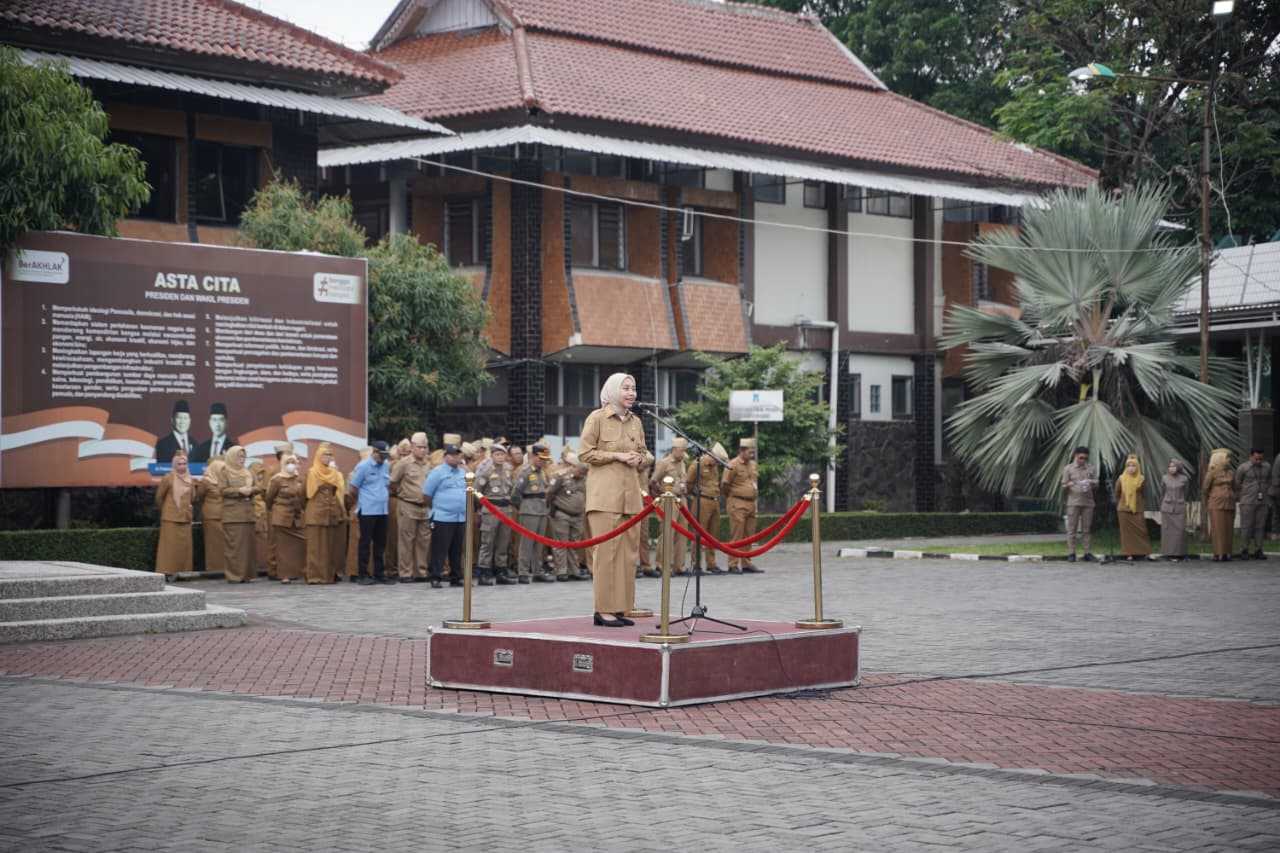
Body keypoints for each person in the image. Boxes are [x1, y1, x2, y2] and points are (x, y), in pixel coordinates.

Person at [580, 372, 651, 627]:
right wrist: (618, 456)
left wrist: (639, 459)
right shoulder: (597, 418)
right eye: (626, 389)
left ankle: (621, 607)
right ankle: (603, 610)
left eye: (633, 388)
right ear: (612, 391)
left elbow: (646, 454)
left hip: (631, 497)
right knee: (606, 554)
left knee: (628, 555)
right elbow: (585, 453)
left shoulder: (636, 422)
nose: (631, 393)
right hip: (604, 498)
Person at [424, 442, 469, 589]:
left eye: (458, 455)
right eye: (454, 455)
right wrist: (438, 508)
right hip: (442, 517)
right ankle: (435, 577)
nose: (457, 458)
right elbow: (427, 495)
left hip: (459, 517)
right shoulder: (437, 472)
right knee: (439, 549)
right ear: (446, 457)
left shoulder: (462, 473)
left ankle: (456, 577)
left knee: (457, 549)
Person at [349, 440, 393, 585]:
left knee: (380, 543)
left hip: (382, 510)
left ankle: (379, 573)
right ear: (374, 453)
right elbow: (353, 488)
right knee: (365, 543)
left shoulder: (386, 466)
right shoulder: (363, 466)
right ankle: (363, 574)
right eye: (381, 455)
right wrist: (364, 500)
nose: (384, 458)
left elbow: (386, 485)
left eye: (386, 455)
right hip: (367, 510)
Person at [391, 433, 432, 584]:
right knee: (406, 540)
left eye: (425, 447)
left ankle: (420, 572)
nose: (422, 450)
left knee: (423, 540)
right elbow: (393, 483)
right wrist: (403, 494)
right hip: (408, 505)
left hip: (424, 507)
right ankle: (405, 573)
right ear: (413, 447)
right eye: (419, 447)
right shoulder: (403, 463)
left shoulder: (429, 464)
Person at [512, 443, 555, 583]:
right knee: (527, 543)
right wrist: (523, 508)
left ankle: (537, 571)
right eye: (541, 458)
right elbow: (515, 494)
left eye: (545, 459)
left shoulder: (542, 472)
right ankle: (523, 572)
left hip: (542, 510)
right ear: (533, 456)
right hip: (529, 511)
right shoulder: (525, 472)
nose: (543, 461)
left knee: (539, 544)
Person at [304, 442, 347, 583]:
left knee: (329, 547)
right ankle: (314, 576)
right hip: (316, 513)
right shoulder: (312, 472)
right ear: (318, 456)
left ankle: (328, 576)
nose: (328, 457)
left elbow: (338, 493)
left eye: (330, 454)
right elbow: (306, 494)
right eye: (325, 455)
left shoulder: (334, 473)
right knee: (315, 547)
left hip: (330, 513)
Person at [218, 446, 259, 582]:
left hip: (248, 514)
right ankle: (234, 576)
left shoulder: (248, 472)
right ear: (231, 457)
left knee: (248, 547)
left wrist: (251, 490)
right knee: (234, 547)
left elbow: (259, 487)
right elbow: (222, 490)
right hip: (233, 515)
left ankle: (248, 575)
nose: (242, 460)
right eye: (239, 457)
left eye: (243, 457)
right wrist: (239, 491)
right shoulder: (225, 471)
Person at [476, 442, 515, 585]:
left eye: (502, 454)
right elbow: (476, 490)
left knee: (503, 542)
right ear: (492, 455)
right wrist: (480, 509)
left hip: (506, 509)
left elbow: (512, 489)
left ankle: (501, 571)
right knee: (487, 542)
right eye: (497, 454)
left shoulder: (508, 469)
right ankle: (483, 572)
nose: (500, 457)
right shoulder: (486, 471)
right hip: (491, 509)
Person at [685, 442, 727, 574]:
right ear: (712, 455)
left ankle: (711, 563)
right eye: (717, 460)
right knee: (698, 534)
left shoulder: (714, 467)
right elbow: (689, 482)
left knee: (712, 534)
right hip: (702, 501)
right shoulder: (698, 464)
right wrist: (694, 494)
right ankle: (695, 564)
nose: (718, 464)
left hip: (714, 501)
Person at [723, 437, 763, 573]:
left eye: (753, 452)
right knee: (737, 535)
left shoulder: (753, 465)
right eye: (749, 452)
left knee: (749, 535)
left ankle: (746, 563)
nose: (752, 455)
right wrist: (734, 497)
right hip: (737, 503)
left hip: (751, 504)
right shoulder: (732, 464)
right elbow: (725, 485)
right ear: (741, 450)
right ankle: (733, 564)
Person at [651, 438, 690, 575]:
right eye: (682, 451)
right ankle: (662, 564)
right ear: (674, 449)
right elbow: (653, 482)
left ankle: (679, 566)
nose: (684, 453)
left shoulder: (683, 463)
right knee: (667, 532)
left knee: (682, 533)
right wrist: (664, 494)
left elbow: (683, 479)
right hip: (668, 500)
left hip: (682, 500)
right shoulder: (664, 463)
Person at [266, 453, 306, 583]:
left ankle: (296, 572)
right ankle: (284, 575)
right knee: (283, 548)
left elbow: (303, 496)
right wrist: (278, 509)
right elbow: (269, 499)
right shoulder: (276, 479)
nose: (291, 465)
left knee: (298, 545)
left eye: (293, 462)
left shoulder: (299, 479)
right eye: (288, 462)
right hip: (281, 516)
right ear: (283, 464)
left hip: (296, 516)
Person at [154, 451, 195, 578]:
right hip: (170, 518)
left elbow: (192, 498)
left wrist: (187, 507)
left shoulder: (190, 479)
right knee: (170, 548)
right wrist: (167, 510)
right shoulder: (168, 478)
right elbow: (159, 497)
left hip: (185, 517)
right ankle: (167, 572)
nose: (182, 466)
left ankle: (184, 572)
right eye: (179, 464)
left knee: (185, 548)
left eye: (184, 463)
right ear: (174, 465)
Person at [547, 459, 589, 581]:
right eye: (580, 472)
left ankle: (574, 570)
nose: (582, 475)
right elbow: (549, 493)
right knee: (561, 543)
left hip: (578, 516)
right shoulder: (560, 476)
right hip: (562, 514)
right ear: (574, 467)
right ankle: (561, 571)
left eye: (584, 473)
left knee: (574, 544)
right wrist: (553, 509)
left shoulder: (583, 479)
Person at [1061, 446, 1097, 562]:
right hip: (1073, 502)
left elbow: (1097, 483)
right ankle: (1071, 553)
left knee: (1087, 529)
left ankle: (1087, 552)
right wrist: (1069, 484)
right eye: (1081, 458)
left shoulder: (1091, 468)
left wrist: (1091, 482)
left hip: (1088, 502)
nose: (1083, 460)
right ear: (1075, 456)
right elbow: (1063, 485)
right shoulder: (1068, 468)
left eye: (1085, 458)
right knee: (1072, 529)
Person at [1235, 448, 1270, 560]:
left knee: (1260, 526)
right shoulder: (1243, 468)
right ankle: (1244, 550)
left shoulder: (1267, 467)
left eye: (1261, 458)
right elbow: (1237, 483)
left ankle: (1258, 550)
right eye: (1256, 459)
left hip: (1262, 501)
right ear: (1250, 456)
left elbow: (1268, 481)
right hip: (1247, 502)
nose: (1258, 461)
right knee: (1246, 527)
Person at [1114, 454, 1150, 561]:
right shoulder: (1121, 478)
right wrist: (1122, 503)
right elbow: (1117, 493)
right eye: (1128, 466)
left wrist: (1139, 504)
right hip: (1123, 510)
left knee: (1142, 530)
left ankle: (1143, 552)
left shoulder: (1142, 479)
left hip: (1137, 509)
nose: (1131, 468)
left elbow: (1144, 493)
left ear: (1137, 467)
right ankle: (1128, 553)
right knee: (1126, 534)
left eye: (1133, 466)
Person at [384, 438, 412, 578]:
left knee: (409, 538)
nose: (405, 455)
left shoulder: (413, 464)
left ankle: (407, 568)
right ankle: (391, 568)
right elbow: (389, 483)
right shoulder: (392, 465)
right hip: (394, 501)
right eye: (403, 453)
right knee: (393, 537)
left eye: (408, 453)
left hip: (410, 502)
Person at [1203, 448, 1236, 562]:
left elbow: (1235, 486)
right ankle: (1218, 553)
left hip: (1229, 502)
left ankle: (1227, 553)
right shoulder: (1212, 472)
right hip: (1216, 503)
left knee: (1228, 529)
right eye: (1227, 458)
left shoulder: (1231, 472)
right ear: (1220, 459)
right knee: (1218, 528)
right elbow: (1205, 488)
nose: (1229, 460)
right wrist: (1215, 496)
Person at [196, 455, 227, 574]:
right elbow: (199, 496)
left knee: (224, 544)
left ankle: (225, 568)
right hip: (211, 517)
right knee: (213, 544)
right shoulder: (206, 481)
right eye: (221, 468)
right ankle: (214, 569)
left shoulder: (225, 481)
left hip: (225, 515)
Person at [1160, 459, 1191, 561]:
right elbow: (1162, 491)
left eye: (1174, 466)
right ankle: (1167, 553)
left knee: (1180, 531)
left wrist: (1181, 500)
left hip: (1179, 507)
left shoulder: (1184, 479)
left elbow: (1186, 492)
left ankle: (1179, 553)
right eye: (1170, 466)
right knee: (1167, 531)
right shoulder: (1164, 478)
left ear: (1178, 467)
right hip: (1167, 508)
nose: (1171, 468)